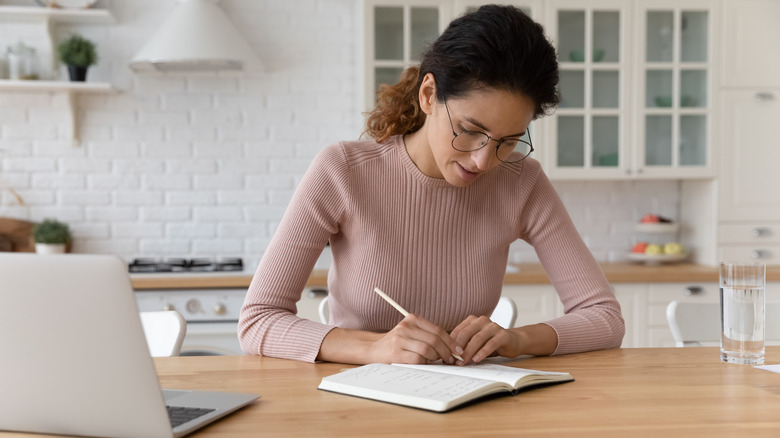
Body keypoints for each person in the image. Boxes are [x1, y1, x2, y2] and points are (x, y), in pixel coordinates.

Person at [239, 4, 624, 365]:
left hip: (467, 403)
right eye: (471, 131)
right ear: (428, 95)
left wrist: (517, 340)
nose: (484, 160)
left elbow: (605, 318)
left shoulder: (522, 182)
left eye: (508, 141)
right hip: (359, 405)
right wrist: (376, 347)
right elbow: (258, 320)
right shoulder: (344, 171)